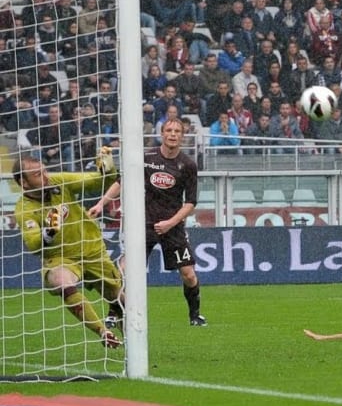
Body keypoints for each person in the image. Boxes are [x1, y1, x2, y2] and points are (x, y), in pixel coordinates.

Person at [89, 119, 207, 326]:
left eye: (177, 131)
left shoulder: (187, 165)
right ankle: (114, 313)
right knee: (124, 271)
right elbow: (121, 181)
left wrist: (171, 223)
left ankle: (195, 315)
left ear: (182, 136)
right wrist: (100, 205)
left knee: (188, 274)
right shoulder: (146, 157)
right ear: (162, 134)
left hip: (173, 226)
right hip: (143, 223)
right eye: (168, 130)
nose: (172, 134)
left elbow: (190, 203)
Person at [13, 150, 124, 348]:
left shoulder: (58, 181)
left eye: (44, 171)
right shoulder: (24, 209)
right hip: (60, 257)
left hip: (91, 250)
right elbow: (32, 244)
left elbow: (96, 181)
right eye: (38, 174)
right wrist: (48, 232)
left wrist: (107, 167)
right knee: (60, 281)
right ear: (24, 183)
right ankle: (102, 331)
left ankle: (132, 347)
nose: (46, 176)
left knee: (122, 300)